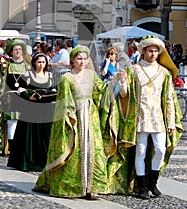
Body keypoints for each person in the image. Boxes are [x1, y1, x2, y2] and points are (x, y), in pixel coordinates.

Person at [108, 35, 183, 199]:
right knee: (140, 151)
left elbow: (169, 98)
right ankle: (141, 186)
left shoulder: (164, 73)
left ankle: (152, 181)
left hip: (158, 118)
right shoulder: (134, 70)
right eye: (150, 51)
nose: (153, 54)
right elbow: (125, 94)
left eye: (156, 51)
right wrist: (122, 82)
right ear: (143, 51)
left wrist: (170, 122)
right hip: (140, 117)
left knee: (161, 150)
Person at [33, 45, 112, 199]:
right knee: (74, 150)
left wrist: (117, 83)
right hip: (73, 117)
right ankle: (73, 186)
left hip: (91, 117)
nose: (82, 62)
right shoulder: (66, 78)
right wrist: (70, 115)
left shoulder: (91, 75)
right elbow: (63, 101)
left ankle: (92, 187)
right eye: (79, 58)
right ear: (72, 60)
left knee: (93, 150)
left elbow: (101, 92)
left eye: (84, 58)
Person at [7, 52, 57, 171]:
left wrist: (44, 95)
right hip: (31, 109)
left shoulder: (50, 76)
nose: (41, 64)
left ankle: (44, 161)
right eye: (39, 62)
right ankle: (26, 161)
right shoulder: (28, 75)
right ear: (34, 62)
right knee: (29, 135)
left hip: (46, 109)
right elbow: (21, 90)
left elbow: (54, 91)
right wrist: (30, 95)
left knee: (45, 136)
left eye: (43, 62)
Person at [1, 39, 32, 153]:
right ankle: (12, 147)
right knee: (11, 122)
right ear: (11, 51)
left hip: (24, 97)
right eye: (15, 49)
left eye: (19, 49)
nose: (18, 51)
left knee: (22, 122)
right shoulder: (5, 65)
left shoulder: (28, 66)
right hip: (10, 97)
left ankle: (22, 146)